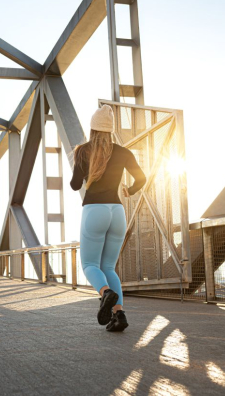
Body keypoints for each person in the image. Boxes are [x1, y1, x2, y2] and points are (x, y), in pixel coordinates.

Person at [70, 104, 146, 332]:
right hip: (117, 212)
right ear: (111, 130)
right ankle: (119, 315)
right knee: (109, 267)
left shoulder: (83, 151)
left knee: (90, 265)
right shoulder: (123, 152)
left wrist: (83, 170)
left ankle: (106, 293)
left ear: (92, 128)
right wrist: (129, 191)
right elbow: (141, 179)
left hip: (95, 210)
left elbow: (75, 185)